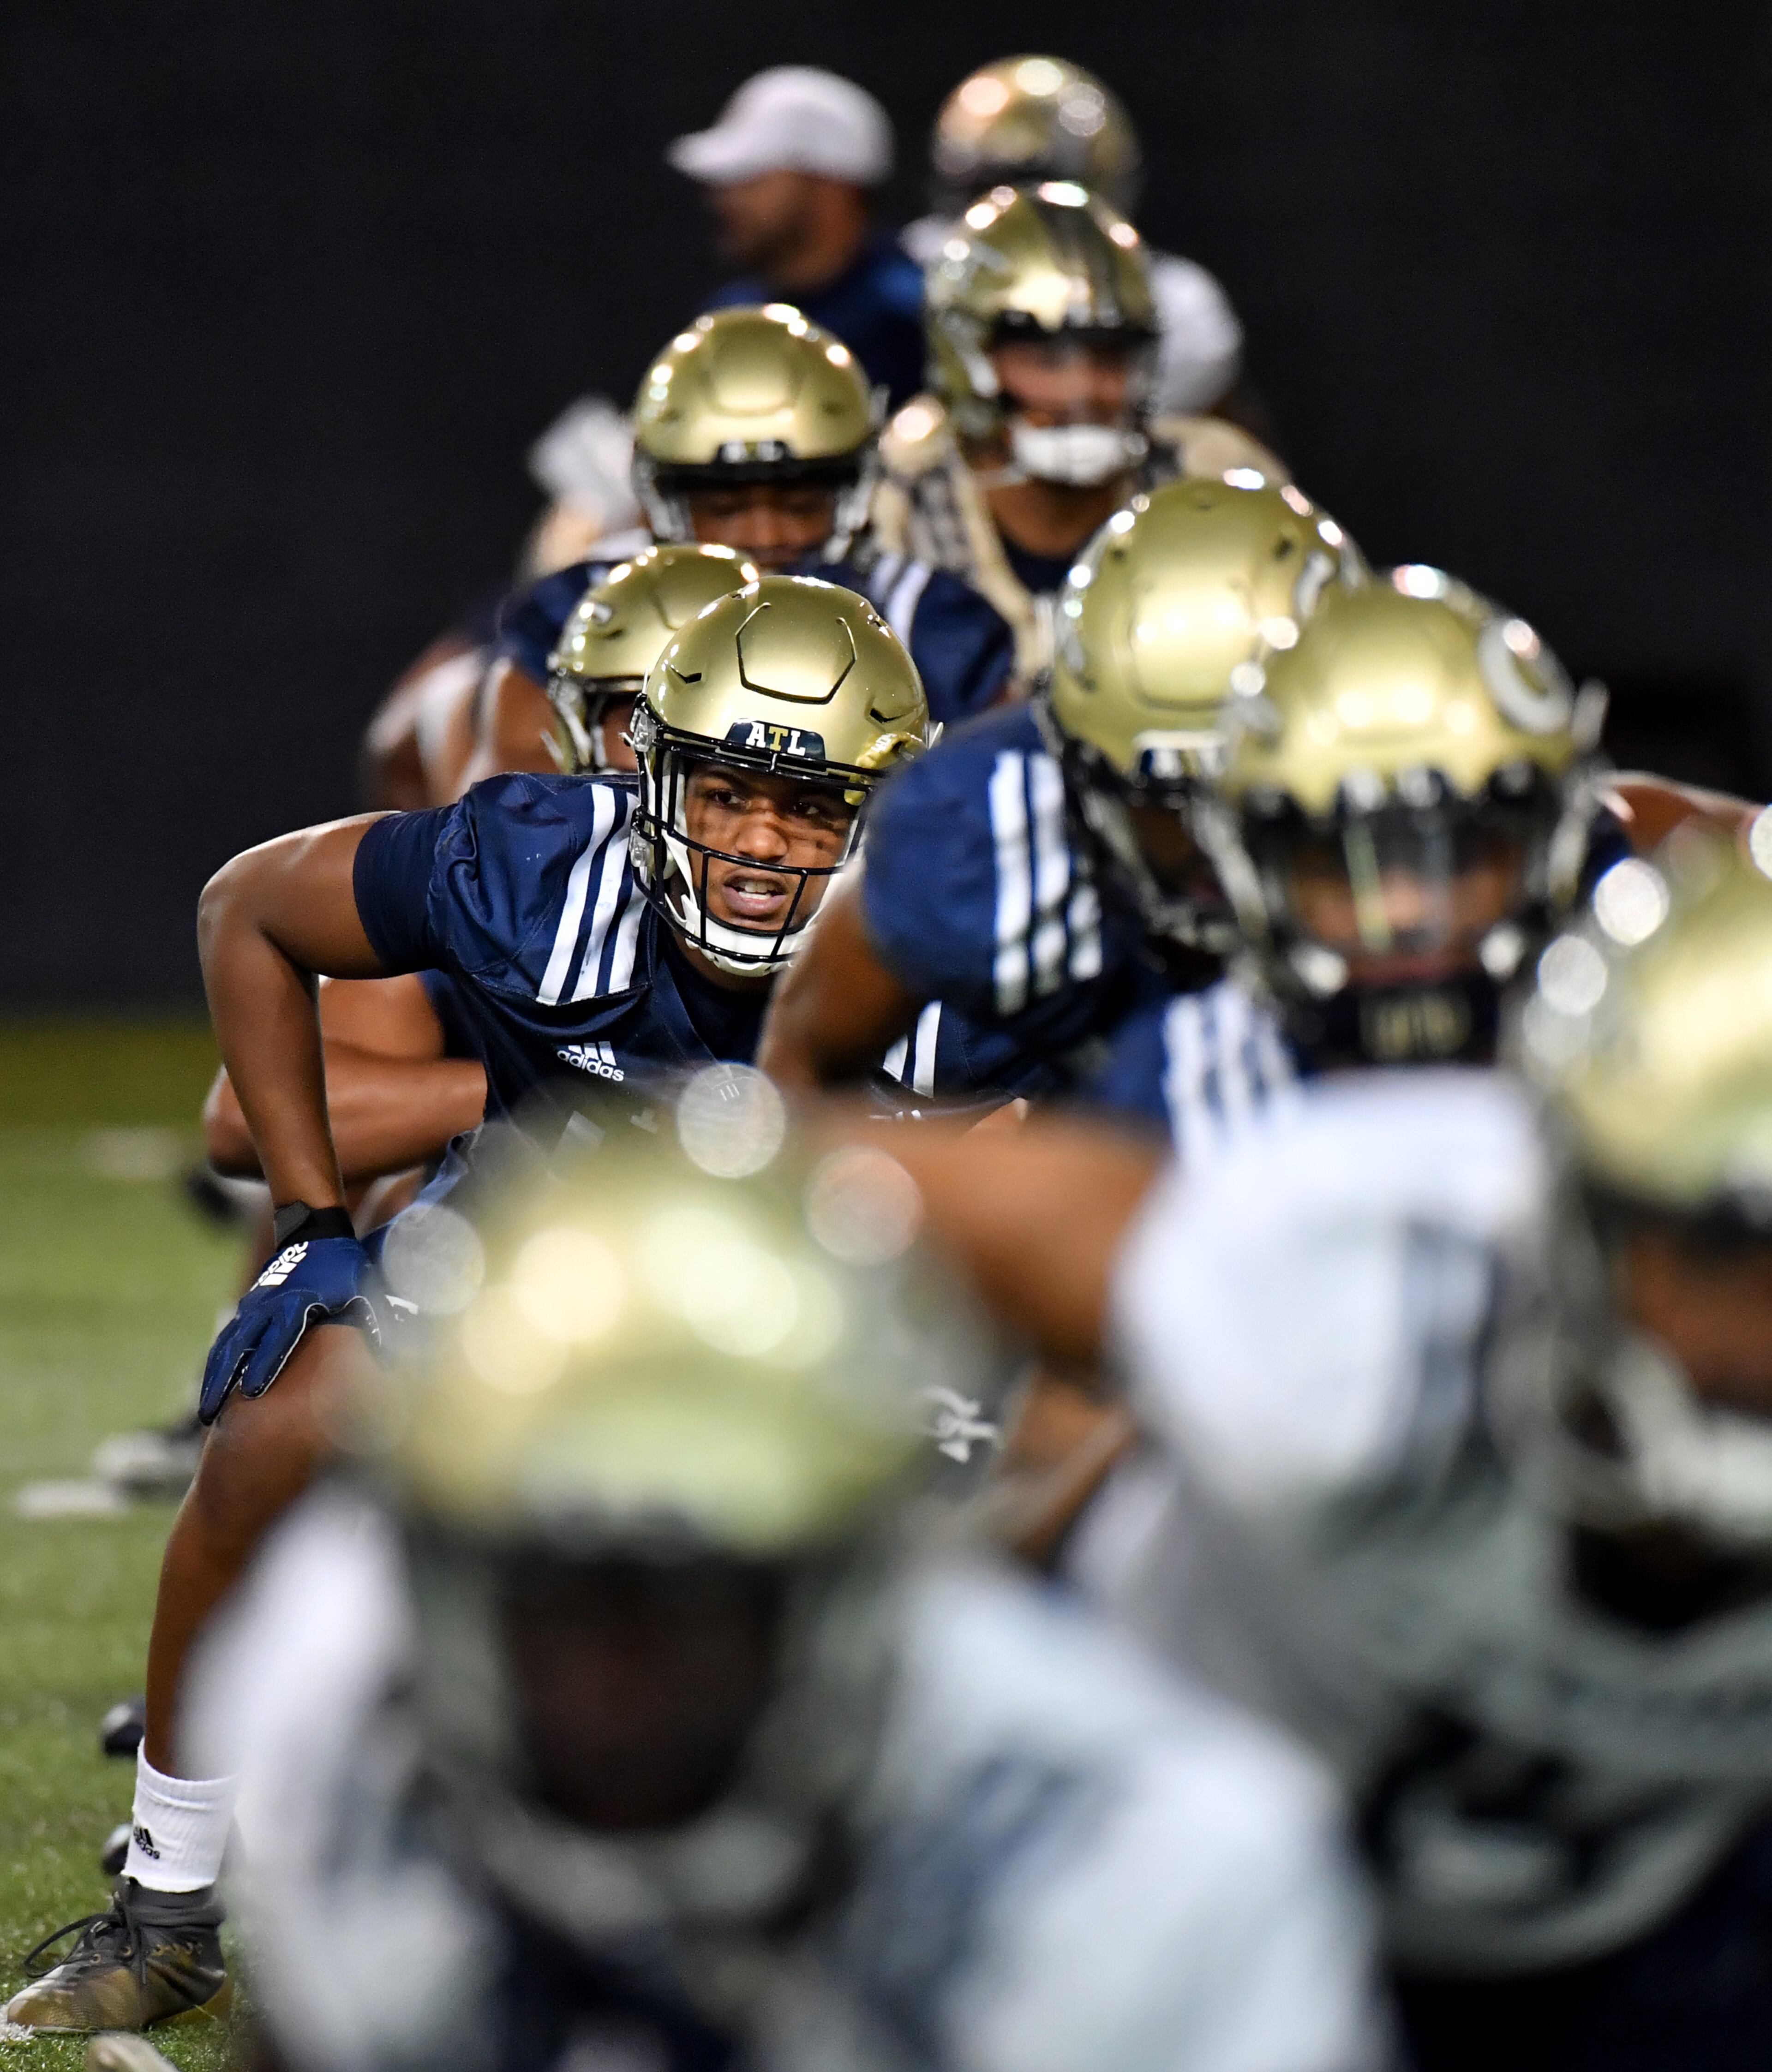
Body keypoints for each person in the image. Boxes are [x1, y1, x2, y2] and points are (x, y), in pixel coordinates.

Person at [6, 578, 1034, 2033]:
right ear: (649, 772)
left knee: (988, 1536)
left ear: (881, 819)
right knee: (278, 1424)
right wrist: (309, 1225)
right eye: (730, 792)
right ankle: (169, 1908)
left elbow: (1088, 1148)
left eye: (810, 811)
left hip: (838, 1291)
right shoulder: (540, 867)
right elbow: (247, 910)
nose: (756, 844)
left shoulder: (961, 947)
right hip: (539, 1256)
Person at [823, 826, 1772, 2072]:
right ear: (1578, 1224)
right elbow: (868, 1193)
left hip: (1640, 1931)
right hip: (1176, 1866)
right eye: (1722, 1254)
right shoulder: (1364, 1307)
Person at [180, 1097, 1386, 2072]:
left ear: (861, 1581)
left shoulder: (1128, 1865)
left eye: (697, 1600)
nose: (619, 1682)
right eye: (562, 1591)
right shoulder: (334, 1681)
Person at [759, 473, 1364, 1099]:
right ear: (1080, 763)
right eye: (1175, 797)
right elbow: (804, 1069)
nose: (1219, 841)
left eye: (1259, 798)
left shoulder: (1431, 845)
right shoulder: (987, 824)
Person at [469, 305, 1019, 785]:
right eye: (726, 507)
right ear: (660, 491)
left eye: (799, 503)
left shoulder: (932, 620)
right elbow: (515, 821)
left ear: (853, 485)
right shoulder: (585, 610)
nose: (764, 538)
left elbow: (985, 815)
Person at [874, 181, 1283, 681]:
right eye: (1048, 358)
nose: (1085, 389)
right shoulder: (898, 494)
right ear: (970, 355)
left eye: (1109, 356)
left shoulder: (1217, 481)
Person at [903, 55, 1249, 424]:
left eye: (1107, 352)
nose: (1023, 225)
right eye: (1000, 195)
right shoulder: (909, 278)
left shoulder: (1179, 306)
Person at [667, 66, 925, 414]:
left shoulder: (915, 322)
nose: (726, 201)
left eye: (751, 179)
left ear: (830, 188)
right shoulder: (726, 321)